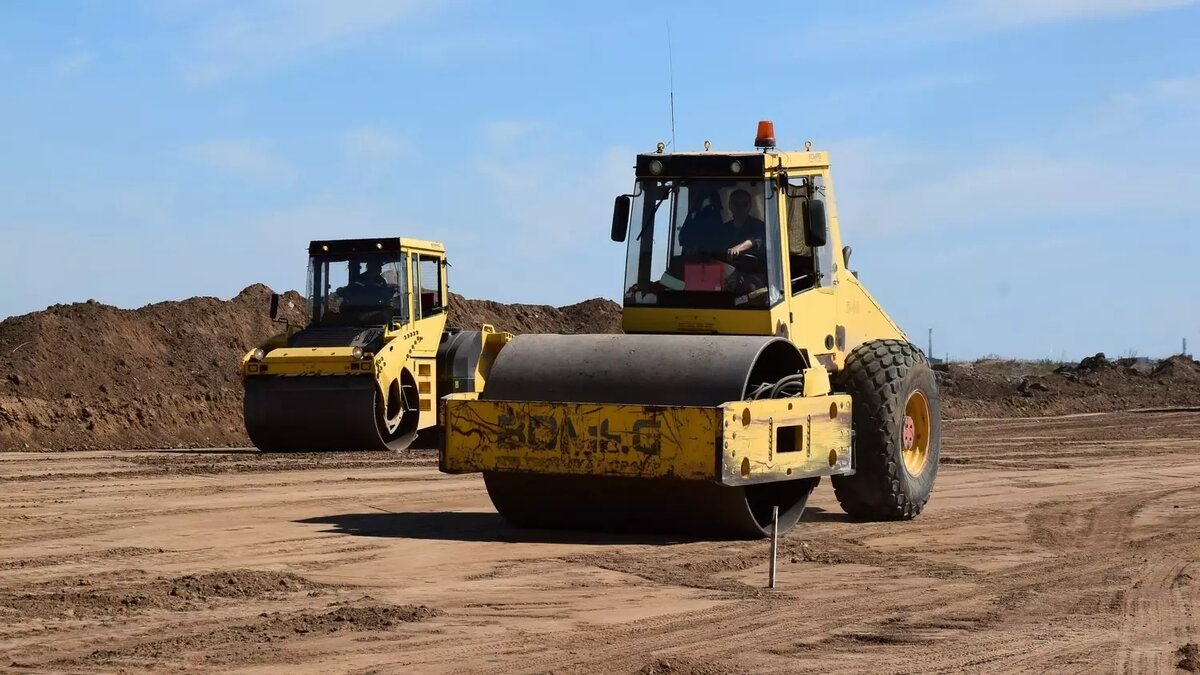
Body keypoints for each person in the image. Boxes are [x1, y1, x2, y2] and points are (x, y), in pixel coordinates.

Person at [723, 189, 766, 260]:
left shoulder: (759, 225)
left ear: (750, 206)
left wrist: (737, 248)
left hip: (755, 269)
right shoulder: (724, 228)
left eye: (744, 204)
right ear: (730, 206)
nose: (740, 208)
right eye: (736, 204)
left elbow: (753, 240)